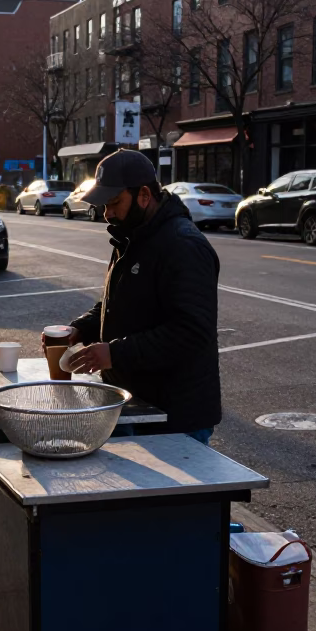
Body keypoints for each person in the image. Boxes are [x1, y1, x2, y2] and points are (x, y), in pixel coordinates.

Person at [58, 149, 221, 443]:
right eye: (105, 205)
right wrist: (82, 327)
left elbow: (192, 332)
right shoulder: (133, 234)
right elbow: (122, 302)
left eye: (114, 202)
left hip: (175, 415)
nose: (107, 213)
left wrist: (115, 353)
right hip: (136, 403)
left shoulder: (183, 245)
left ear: (144, 195)